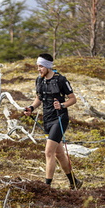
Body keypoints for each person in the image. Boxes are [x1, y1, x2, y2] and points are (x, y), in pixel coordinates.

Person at [24, 53, 83, 189]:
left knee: (48, 152)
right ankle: (74, 182)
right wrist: (31, 108)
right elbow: (39, 98)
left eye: (41, 66)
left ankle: (47, 186)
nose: (38, 69)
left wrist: (62, 105)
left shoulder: (61, 80)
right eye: (37, 66)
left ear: (48, 67)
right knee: (59, 154)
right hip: (47, 120)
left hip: (60, 119)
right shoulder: (39, 80)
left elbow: (73, 99)